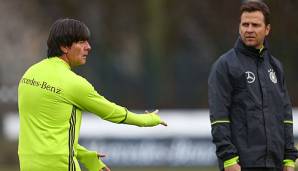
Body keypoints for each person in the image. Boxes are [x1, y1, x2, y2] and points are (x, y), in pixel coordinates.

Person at [18, 18, 167, 171]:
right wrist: (147, 120)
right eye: (81, 42)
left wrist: (85, 155)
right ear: (64, 47)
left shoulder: (29, 75)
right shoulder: (74, 83)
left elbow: (46, 134)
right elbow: (111, 112)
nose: (88, 47)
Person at [208, 1, 298, 171]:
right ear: (239, 27)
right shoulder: (225, 65)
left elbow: (285, 116)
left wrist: (289, 159)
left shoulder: (276, 67)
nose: (249, 29)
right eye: (245, 24)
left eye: (255, 25)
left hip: (276, 164)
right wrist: (229, 159)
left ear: (267, 29)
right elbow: (219, 118)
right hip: (242, 164)